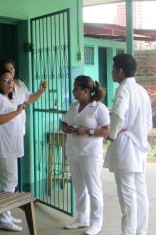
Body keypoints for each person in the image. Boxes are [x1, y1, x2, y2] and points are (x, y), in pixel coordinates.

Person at [104, 53, 152, 235]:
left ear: (120, 71)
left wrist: (112, 134)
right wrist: (136, 132)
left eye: (113, 69)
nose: (111, 72)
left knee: (127, 197)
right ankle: (141, 232)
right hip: (139, 147)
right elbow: (148, 123)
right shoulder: (141, 90)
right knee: (140, 193)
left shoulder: (123, 90)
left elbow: (118, 116)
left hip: (126, 148)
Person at [61, 75, 110, 235]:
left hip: (90, 154)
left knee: (93, 188)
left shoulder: (98, 108)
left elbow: (106, 130)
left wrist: (88, 131)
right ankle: (81, 218)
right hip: (73, 151)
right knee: (79, 187)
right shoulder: (73, 106)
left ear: (86, 91)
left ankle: (96, 223)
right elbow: (65, 122)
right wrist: (66, 128)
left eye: (76, 88)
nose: (73, 91)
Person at [0, 68, 26, 232]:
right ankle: (4, 218)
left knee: (4, 181)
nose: (10, 84)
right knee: (10, 181)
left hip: (10, 145)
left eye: (12, 80)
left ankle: (5, 213)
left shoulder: (5, 97)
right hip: (4, 147)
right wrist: (17, 112)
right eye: (6, 81)